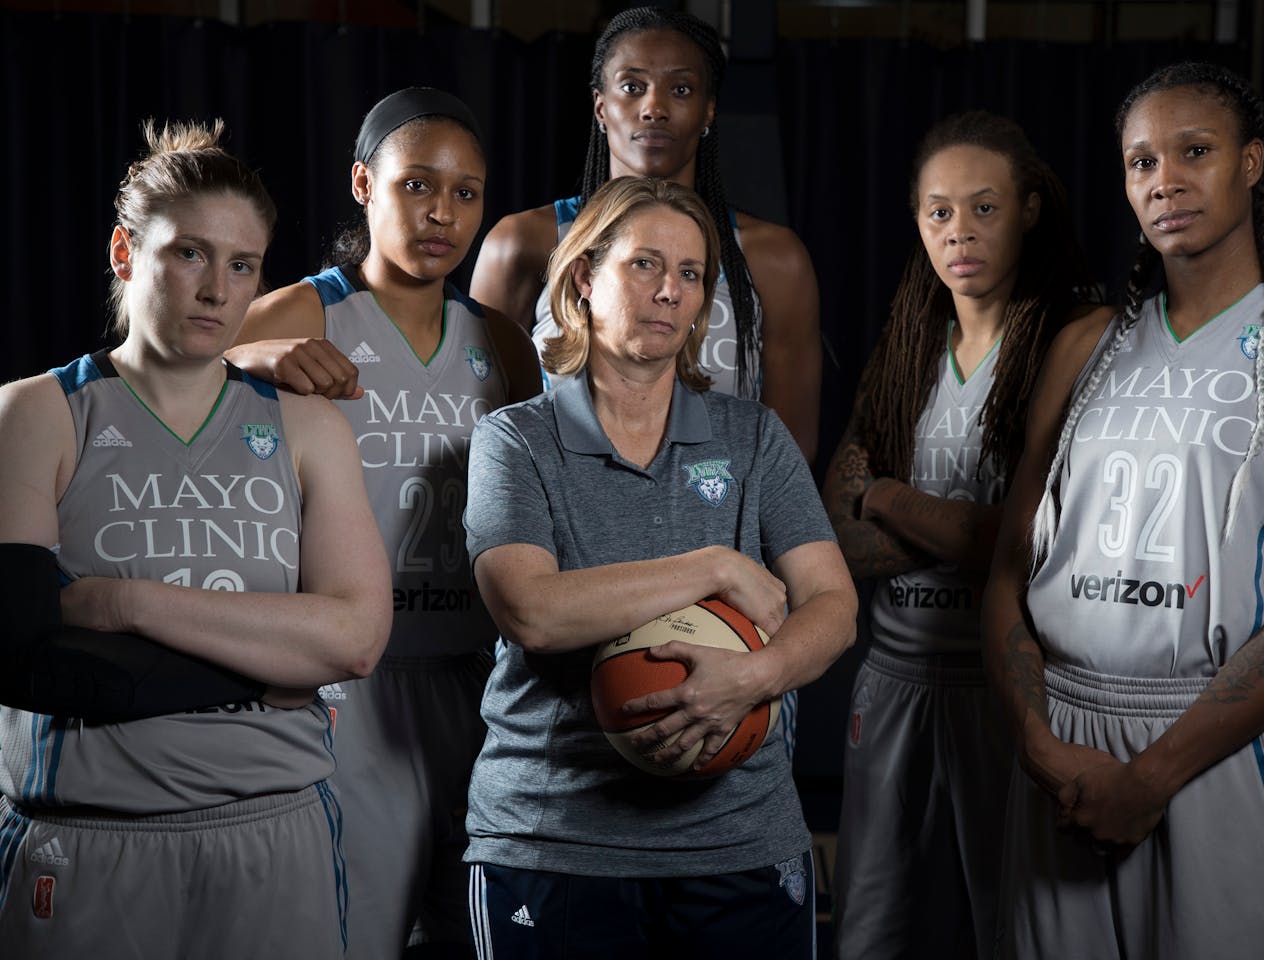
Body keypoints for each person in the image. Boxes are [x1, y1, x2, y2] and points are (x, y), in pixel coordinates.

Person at [982, 61, 1264, 960]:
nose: (1164, 180)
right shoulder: (1086, 344)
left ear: (1252, 163)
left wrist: (1153, 776)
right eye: (1140, 162)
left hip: (1218, 740)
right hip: (1064, 738)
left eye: (1195, 152)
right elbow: (1009, 573)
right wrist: (1034, 737)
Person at [0, 119, 392, 958]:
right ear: (124, 251)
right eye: (189, 253)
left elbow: (356, 641)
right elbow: (23, 649)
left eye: (242, 263)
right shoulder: (35, 412)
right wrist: (270, 667)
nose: (218, 288)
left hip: (274, 829)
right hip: (90, 835)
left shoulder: (306, 426)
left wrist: (119, 603)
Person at [461, 175, 856, 959]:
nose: (670, 292)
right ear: (583, 277)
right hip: (554, 837)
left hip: (740, 841)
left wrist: (759, 674)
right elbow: (532, 611)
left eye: (690, 273)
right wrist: (714, 565)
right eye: (644, 265)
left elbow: (833, 606)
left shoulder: (752, 437)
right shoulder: (515, 441)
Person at [225, 88, 540, 959]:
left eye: (467, 192)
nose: (443, 212)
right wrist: (248, 357)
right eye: (417, 185)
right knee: (354, 933)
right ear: (364, 185)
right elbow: (164, 389)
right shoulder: (299, 313)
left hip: (481, 681)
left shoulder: (504, 344)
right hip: (347, 687)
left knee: (475, 935)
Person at [472, 6, 820, 764]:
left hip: (728, 605)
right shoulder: (524, 241)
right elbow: (493, 418)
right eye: (632, 86)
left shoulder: (773, 256)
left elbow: (791, 446)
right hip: (574, 583)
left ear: (711, 109)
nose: (655, 106)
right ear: (601, 106)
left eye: (681, 88)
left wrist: (751, 615)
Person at [822, 111, 1105, 960]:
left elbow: (1042, 544)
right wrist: (971, 529)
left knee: (1009, 925)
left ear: (1028, 209)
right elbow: (835, 532)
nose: (960, 232)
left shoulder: (1070, 343)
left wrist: (891, 498)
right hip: (893, 678)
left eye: (984, 207)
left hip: (1007, 682)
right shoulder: (909, 344)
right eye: (939, 212)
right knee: (873, 929)